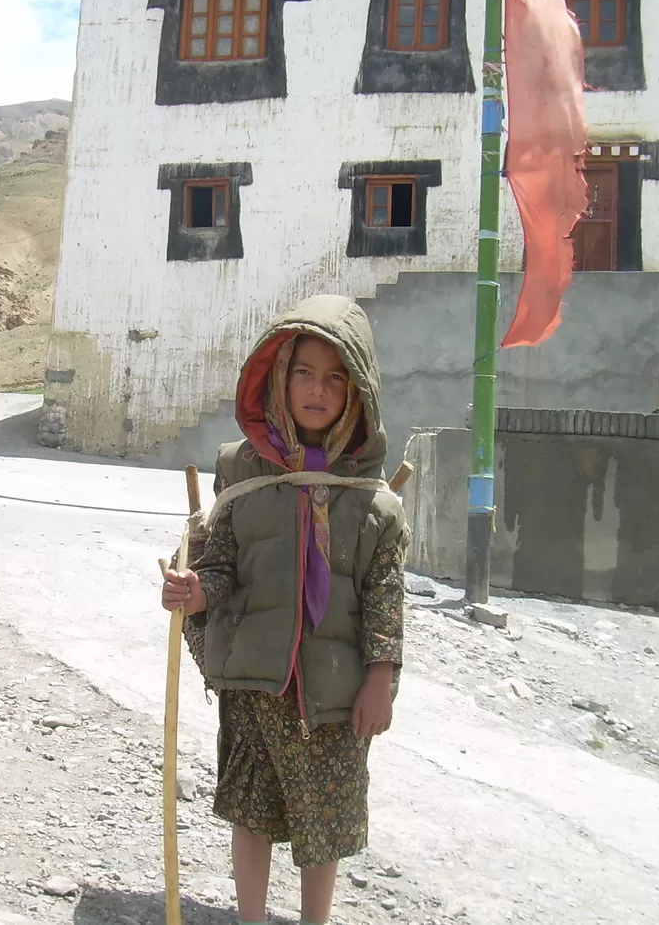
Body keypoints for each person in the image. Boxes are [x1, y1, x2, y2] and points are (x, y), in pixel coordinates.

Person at [161, 294, 409, 925]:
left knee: (322, 823)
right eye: (304, 372)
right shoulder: (241, 471)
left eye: (335, 376)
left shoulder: (375, 502)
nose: (318, 389)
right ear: (277, 374)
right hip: (255, 682)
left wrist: (379, 682)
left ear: (359, 389)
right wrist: (197, 591)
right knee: (251, 810)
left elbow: (384, 601)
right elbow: (221, 564)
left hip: (332, 692)